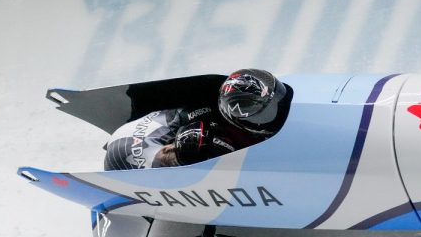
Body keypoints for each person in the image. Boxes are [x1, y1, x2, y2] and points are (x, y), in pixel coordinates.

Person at [103, 69, 291, 171]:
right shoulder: (212, 127)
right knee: (200, 147)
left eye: (275, 104)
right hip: (125, 152)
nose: (272, 115)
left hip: (156, 126)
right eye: (263, 115)